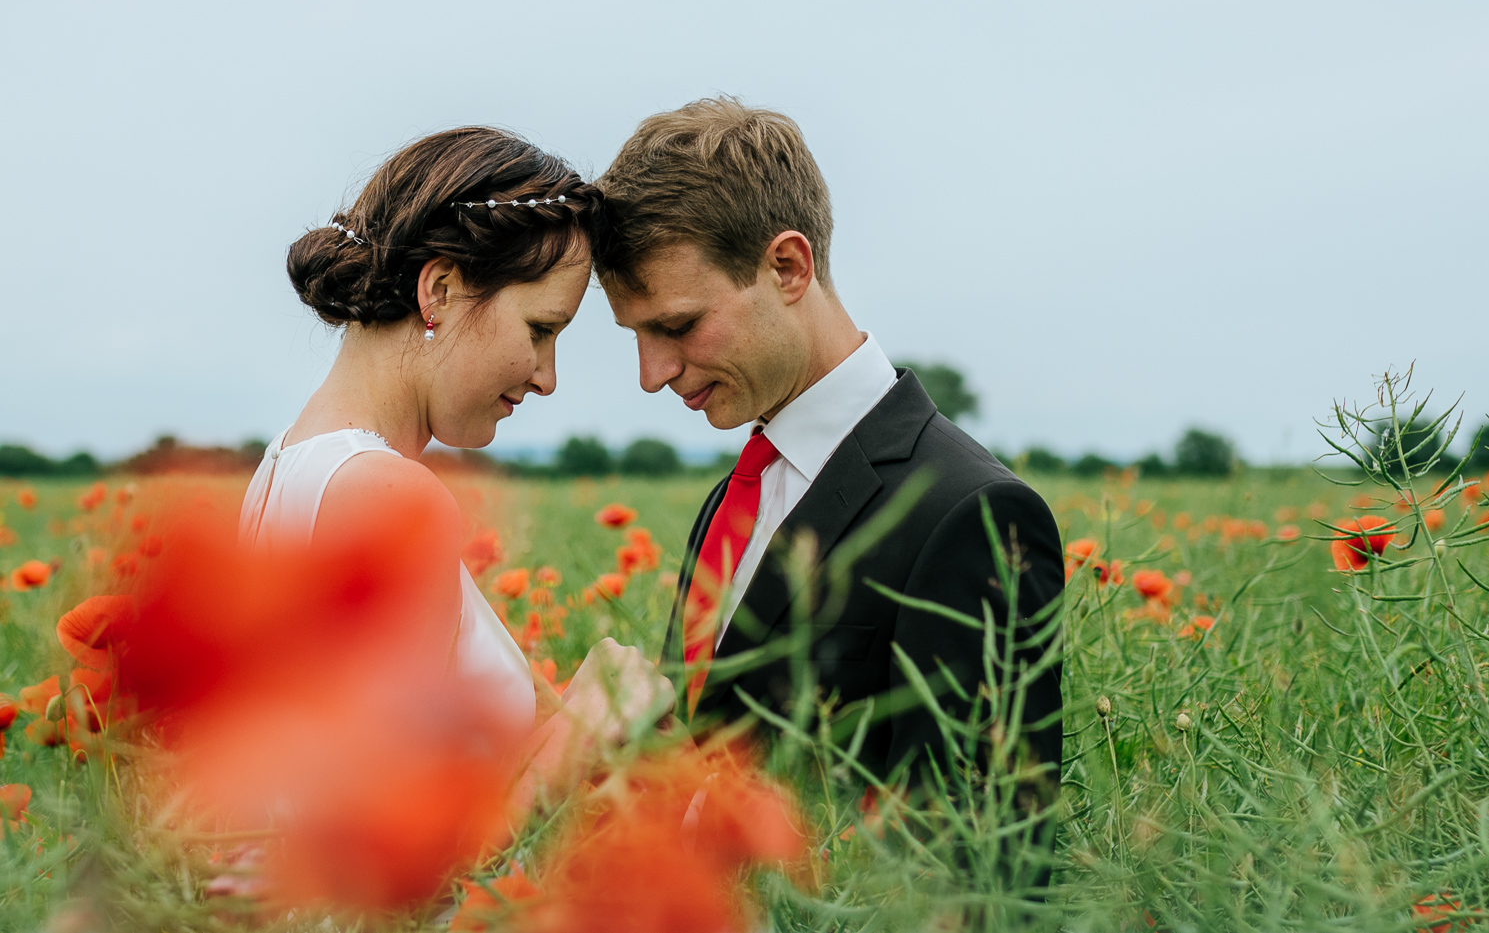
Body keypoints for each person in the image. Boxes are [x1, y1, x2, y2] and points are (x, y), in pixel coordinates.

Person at [595, 99, 1064, 793]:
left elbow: (984, 866)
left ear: (787, 266)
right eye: (634, 335)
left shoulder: (971, 514)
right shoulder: (736, 495)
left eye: (679, 324)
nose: (651, 373)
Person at [241, 126, 674, 813]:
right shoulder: (382, 494)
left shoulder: (285, 467)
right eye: (540, 329)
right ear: (439, 288)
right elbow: (397, 849)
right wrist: (593, 718)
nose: (547, 377)